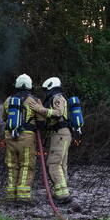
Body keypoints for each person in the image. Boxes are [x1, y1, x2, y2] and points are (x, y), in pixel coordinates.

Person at [2, 74, 56, 202]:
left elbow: (4, 118)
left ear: (16, 85)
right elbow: (41, 121)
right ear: (30, 86)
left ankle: (10, 194)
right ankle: (23, 195)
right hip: (26, 137)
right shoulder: (34, 101)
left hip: (10, 136)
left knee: (11, 165)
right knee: (26, 165)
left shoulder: (8, 100)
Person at [41, 76, 73, 204]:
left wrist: (41, 110)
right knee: (61, 165)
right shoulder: (58, 97)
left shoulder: (57, 97)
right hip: (63, 134)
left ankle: (62, 195)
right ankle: (61, 192)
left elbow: (58, 113)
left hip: (59, 134)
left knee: (54, 164)